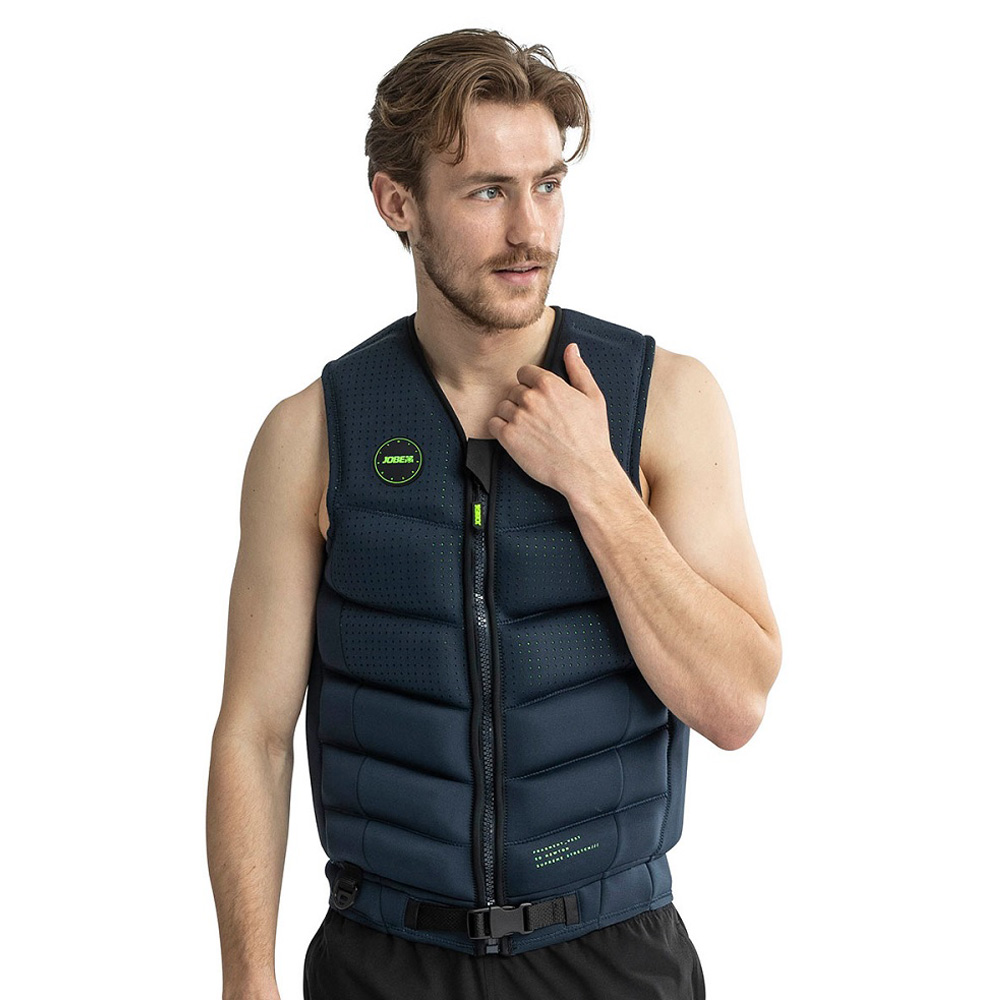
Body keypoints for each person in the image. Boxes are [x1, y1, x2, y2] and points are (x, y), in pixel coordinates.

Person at [206, 28, 781, 1000]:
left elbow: (735, 704)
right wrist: (246, 979)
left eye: (548, 185)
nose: (530, 231)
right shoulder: (311, 435)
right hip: (382, 962)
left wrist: (595, 481)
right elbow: (253, 733)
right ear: (397, 202)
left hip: (613, 959)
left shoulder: (664, 403)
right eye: (487, 192)